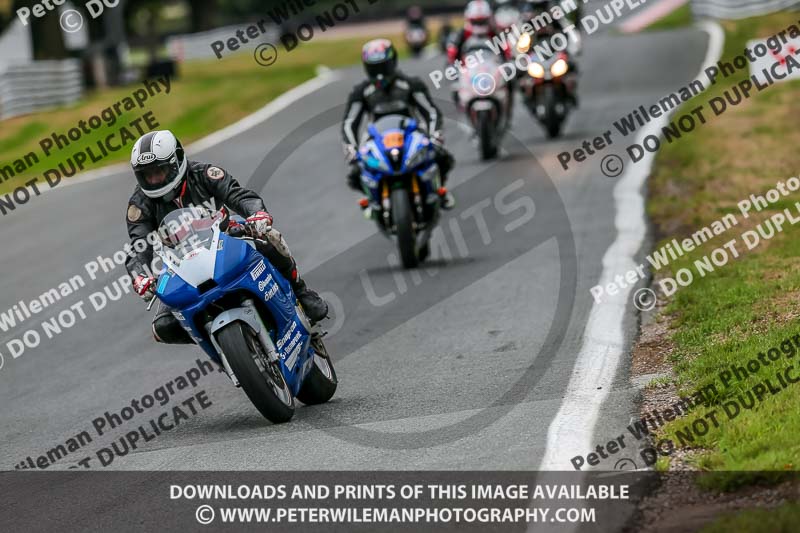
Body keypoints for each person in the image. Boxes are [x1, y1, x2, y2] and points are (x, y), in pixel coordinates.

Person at [125, 130, 328, 344]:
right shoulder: (140, 204)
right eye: (147, 174)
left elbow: (238, 195)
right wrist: (140, 276)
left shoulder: (204, 173)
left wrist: (256, 213)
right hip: (180, 261)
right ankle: (219, 345)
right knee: (163, 327)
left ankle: (301, 292)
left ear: (176, 162)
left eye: (160, 171)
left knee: (269, 239)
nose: (154, 179)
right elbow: (139, 245)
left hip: (226, 237)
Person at [342, 38, 455, 209]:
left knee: (442, 156)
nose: (379, 72)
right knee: (355, 172)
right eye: (374, 67)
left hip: (411, 133)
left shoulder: (411, 84)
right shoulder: (361, 92)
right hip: (376, 137)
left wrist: (435, 134)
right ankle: (370, 199)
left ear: (392, 62)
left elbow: (430, 111)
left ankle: (440, 190)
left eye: (383, 66)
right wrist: (351, 147)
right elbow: (350, 122)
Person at [447, 0, 511, 65]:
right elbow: (452, 59)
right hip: (467, 71)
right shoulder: (460, 35)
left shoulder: (496, 34)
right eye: (476, 21)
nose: (479, 24)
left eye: (482, 21)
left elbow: (507, 57)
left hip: (492, 70)